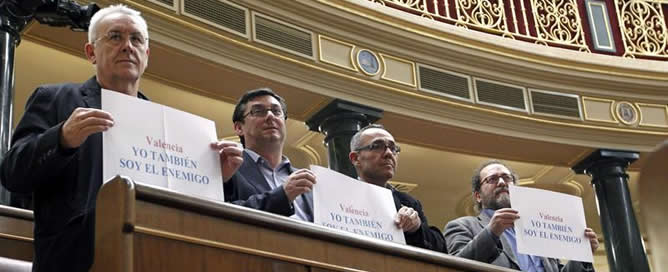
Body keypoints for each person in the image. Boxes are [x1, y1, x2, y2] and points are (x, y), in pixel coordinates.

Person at [444, 160, 599, 271]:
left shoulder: (538, 226)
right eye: (492, 179)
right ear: (478, 196)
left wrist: (582, 254)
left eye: (506, 178)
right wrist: (491, 233)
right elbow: (455, 266)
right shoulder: (462, 226)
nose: (501, 183)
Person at [222, 88, 315, 221]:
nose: (270, 116)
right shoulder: (227, 168)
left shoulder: (309, 180)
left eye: (277, 111)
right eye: (258, 111)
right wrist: (282, 195)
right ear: (239, 128)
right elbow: (220, 215)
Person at [348, 124, 445, 252]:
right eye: (377, 146)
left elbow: (441, 250)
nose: (388, 153)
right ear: (355, 158)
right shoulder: (339, 194)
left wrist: (416, 228)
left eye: (393, 148)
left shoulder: (408, 202)